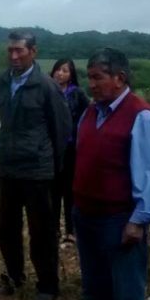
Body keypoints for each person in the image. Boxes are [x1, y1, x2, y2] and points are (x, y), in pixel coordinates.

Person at [72, 49, 150, 300]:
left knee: (126, 298)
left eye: (98, 77)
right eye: (90, 76)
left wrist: (138, 220)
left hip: (119, 218)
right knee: (96, 293)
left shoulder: (142, 117)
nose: (91, 84)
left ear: (120, 79)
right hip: (87, 215)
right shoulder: (89, 113)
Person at [0, 31, 72, 300]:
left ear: (33, 52)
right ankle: (15, 277)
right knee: (6, 229)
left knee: (42, 231)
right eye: (10, 51)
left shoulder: (47, 86)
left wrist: (52, 165)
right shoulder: (3, 82)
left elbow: (61, 131)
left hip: (38, 171)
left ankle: (48, 285)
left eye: (20, 51)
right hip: (8, 167)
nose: (14, 56)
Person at [50, 58, 90, 247]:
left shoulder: (78, 94)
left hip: (72, 149)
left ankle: (70, 231)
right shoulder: (48, 91)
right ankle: (53, 229)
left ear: (71, 74)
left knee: (69, 191)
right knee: (53, 190)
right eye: (58, 70)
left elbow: (87, 118)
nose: (60, 74)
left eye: (65, 70)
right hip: (51, 149)